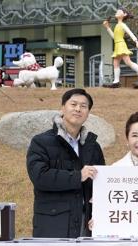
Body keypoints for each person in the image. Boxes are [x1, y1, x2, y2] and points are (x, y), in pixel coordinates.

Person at [26, 88, 105, 238]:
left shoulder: (93, 146)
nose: (78, 109)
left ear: (88, 113)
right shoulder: (41, 142)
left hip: (85, 225)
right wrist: (78, 176)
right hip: (53, 225)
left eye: (83, 106)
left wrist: (100, 214)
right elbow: (40, 177)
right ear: (62, 108)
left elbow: (100, 185)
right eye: (73, 104)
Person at [102, 8, 138, 89]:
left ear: (124, 14)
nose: (117, 12)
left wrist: (136, 42)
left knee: (128, 62)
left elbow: (130, 33)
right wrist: (107, 27)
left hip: (121, 45)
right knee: (115, 62)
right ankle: (116, 81)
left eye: (119, 11)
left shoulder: (122, 25)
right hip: (117, 45)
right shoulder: (117, 25)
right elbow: (114, 37)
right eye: (117, 11)